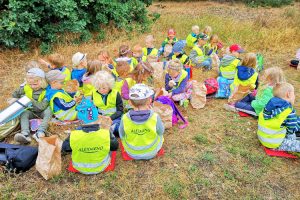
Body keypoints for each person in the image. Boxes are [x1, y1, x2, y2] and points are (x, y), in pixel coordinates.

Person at [119, 84, 165, 160]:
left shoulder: (124, 118)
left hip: (131, 152)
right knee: (160, 136)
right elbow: (161, 132)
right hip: (151, 151)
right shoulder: (155, 117)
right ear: (150, 100)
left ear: (130, 102)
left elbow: (122, 135)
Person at [12, 67, 52, 144]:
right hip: (31, 110)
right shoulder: (26, 87)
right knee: (24, 113)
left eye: (35, 84)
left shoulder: (47, 91)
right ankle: (25, 134)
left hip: (42, 111)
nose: (33, 86)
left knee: (49, 111)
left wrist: (29, 99)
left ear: (42, 81)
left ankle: (40, 132)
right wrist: (16, 98)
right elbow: (14, 94)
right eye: (30, 84)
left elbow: (41, 107)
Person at [257, 82, 300, 152]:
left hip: (263, 137)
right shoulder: (288, 111)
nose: (295, 96)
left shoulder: (269, 105)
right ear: (288, 94)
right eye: (294, 94)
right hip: (274, 142)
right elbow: (291, 129)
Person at [91, 71, 123, 136]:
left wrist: (111, 117)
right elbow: (93, 108)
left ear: (109, 85)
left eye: (104, 88)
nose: (101, 90)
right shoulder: (94, 93)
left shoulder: (115, 94)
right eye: (99, 88)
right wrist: (97, 115)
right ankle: (105, 130)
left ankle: (110, 129)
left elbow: (120, 111)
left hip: (114, 117)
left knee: (120, 125)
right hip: (101, 118)